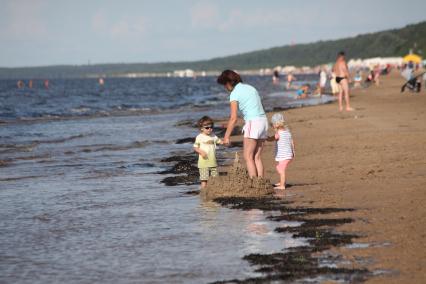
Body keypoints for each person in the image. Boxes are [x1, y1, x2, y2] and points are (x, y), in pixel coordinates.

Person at [217, 69, 268, 178]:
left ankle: (254, 184)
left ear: (229, 82)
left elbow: (234, 118)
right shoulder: (251, 88)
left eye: (224, 84)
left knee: (248, 157)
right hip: (263, 121)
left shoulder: (234, 94)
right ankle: (261, 182)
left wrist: (226, 137)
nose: (225, 88)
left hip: (252, 123)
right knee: (257, 157)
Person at [193, 116, 223, 188]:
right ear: (201, 128)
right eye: (207, 128)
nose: (210, 129)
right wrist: (201, 152)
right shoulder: (199, 137)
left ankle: (215, 191)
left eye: (211, 127)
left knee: (215, 179)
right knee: (204, 180)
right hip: (203, 163)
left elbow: (220, 141)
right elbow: (195, 147)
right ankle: (203, 193)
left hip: (213, 162)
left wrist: (225, 141)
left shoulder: (213, 136)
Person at [268, 113, 295, 191]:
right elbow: (292, 142)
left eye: (272, 125)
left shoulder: (278, 134)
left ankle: (282, 185)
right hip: (288, 155)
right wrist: (293, 152)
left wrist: (266, 138)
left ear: (276, 124)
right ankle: (281, 182)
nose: (272, 127)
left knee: (280, 169)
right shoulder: (287, 132)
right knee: (280, 167)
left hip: (284, 156)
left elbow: (271, 139)